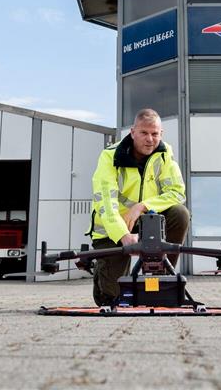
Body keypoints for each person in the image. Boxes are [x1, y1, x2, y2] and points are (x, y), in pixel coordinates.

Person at [88, 108, 189, 306]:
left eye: (155, 133)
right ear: (133, 132)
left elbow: (178, 193)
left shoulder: (165, 155)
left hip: (147, 223)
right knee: (112, 299)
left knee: (180, 213)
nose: (150, 139)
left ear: (161, 134)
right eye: (144, 133)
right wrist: (124, 236)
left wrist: (143, 206)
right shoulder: (109, 157)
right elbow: (106, 204)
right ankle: (103, 275)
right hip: (113, 229)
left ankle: (161, 276)